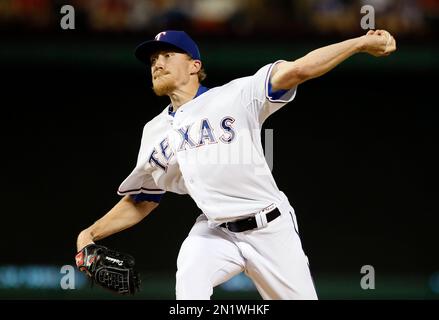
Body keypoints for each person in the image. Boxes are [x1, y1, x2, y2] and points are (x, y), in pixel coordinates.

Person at [76, 30, 396, 299]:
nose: (157, 63)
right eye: (152, 59)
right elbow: (144, 198)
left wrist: (358, 44)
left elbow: (299, 70)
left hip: (270, 227)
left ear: (194, 65)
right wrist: (88, 235)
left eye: (167, 55)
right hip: (215, 231)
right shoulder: (153, 131)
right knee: (190, 274)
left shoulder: (236, 95)